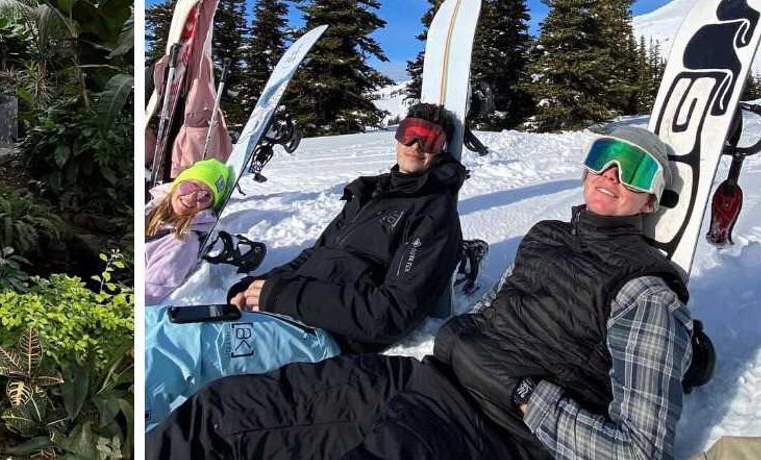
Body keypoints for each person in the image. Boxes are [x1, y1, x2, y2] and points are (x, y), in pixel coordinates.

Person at [149, 124, 694, 460]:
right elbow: (490, 313)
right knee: (221, 413)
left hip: (495, 431)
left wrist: (526, 394)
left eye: (636, 169)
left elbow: (637, 450)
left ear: (653, 200)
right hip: (425, 380)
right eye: (603, 157)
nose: (612, 174)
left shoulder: (647, 292)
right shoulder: (545, 237)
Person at [145, 102, 466, 429]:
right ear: (397, 137)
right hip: (284, 315)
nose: (415, 145)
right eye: (409, 134)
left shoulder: (433, 216)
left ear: (440, 150)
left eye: (429, 140)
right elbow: (311, 258)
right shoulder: (370, 194)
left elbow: (391, 313)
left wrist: (282, 295)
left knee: (171, 347)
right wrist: (255, 285)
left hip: (322, 336)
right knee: (151, 323)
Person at [145, 158, 233, 305]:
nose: (192, 197)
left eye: (204, 196)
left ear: (209, 207)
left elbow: (150, 293)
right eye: (189, 186)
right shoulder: (152, 210)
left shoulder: (181, 242)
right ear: (177, 184)